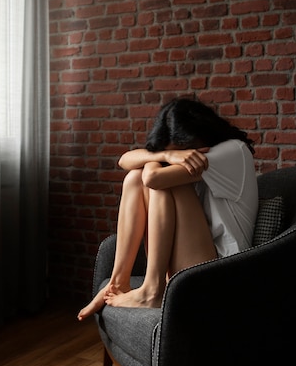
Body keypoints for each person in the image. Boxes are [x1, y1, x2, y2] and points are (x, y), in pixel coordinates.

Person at [77, 97, 258, 319]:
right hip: (190, 263)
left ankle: (153, 290)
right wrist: (166, 155)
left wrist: (160, 159)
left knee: (159, 182)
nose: (184, 158)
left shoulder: (233, 151)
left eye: (185, 151)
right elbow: (124, 160)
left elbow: (154, 178)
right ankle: (118, 283)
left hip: (219, 276)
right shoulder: (183, 156)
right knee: (134, 177)